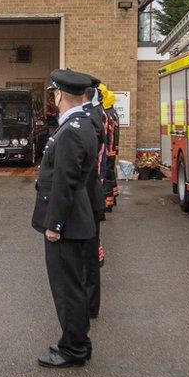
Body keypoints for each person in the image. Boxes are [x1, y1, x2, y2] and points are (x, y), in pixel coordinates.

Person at [32, 69, 97, 368]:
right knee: (73, 286)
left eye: (54, 93)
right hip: (77, 219)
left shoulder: (71, 130)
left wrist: (54, 225)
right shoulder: (81, 124)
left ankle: (73, 349)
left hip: (67, 223)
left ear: (59, 95)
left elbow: (65, 181)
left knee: (67, 289)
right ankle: (76, 342)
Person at [82, 78, 107, 320]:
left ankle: (89, 306)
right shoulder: (95, 113)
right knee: (88, 256)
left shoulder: (89, 117)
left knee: (88, 258)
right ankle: (89, 304)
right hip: (92, 195)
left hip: (88, 196)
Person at [101, 85, 120, 212]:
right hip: (112, 149)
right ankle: (113, 198)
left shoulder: (106, 115)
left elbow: (106, 135)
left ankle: (107, 203)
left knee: (106, 177)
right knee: (111, 175)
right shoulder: (113, 113)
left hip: (107, 151)